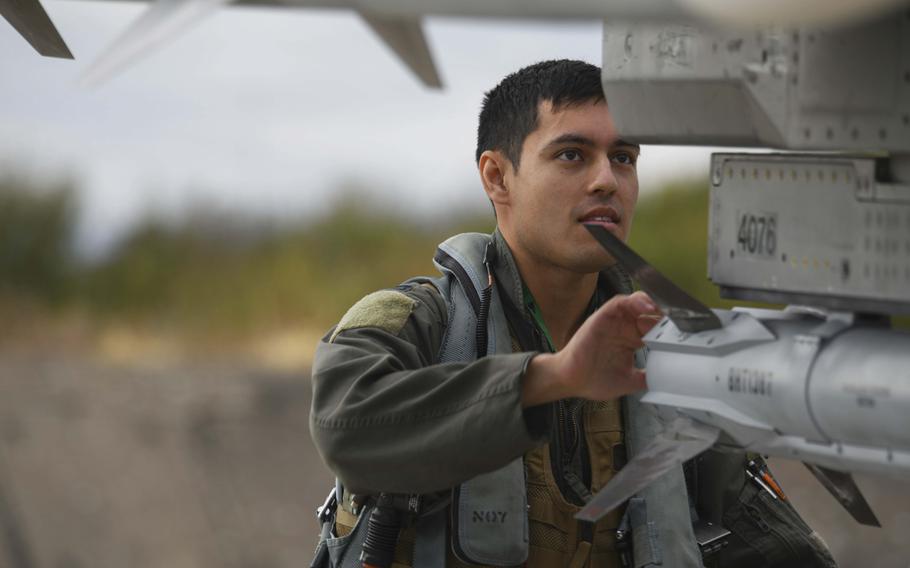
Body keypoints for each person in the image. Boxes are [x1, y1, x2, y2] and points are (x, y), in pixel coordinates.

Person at [309, 60, 836, 568]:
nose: (607, 179)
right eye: (572, 155)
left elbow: (776, 546)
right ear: (497, 178)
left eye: (624, 157)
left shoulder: (666, 355)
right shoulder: (416, 323)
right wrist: (553, 379)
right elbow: (346, 428)